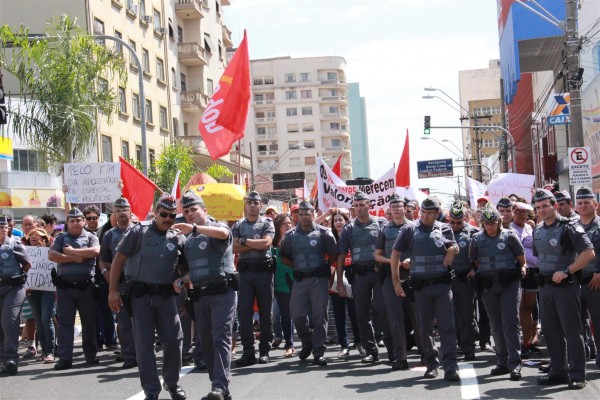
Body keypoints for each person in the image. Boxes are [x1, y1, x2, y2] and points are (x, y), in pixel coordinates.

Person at [108, 194, 186, 400]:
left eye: (172, 215)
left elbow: (186, 268)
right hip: (140, 297)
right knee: (144, 344)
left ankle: (172, 383)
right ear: (155, 212)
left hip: (166, 297)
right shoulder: (138, 232)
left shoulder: (177, 236)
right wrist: (112, 291)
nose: (168, 219)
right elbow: (118, 260)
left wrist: (185, 290)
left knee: (173, 339)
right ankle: (152, 390)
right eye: (164, 214)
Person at [173, 190, 237, 400]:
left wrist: (194, 227)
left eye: (194, 209)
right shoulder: (189, 239)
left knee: (221, 338)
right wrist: (182, 281)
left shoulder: (216, 226)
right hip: (200, 296)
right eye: (186, 210)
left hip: (222, 292)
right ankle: (220, 388)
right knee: (206, 345)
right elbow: (195, 269)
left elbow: (224, 235)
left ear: (204, 210)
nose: (190, 213)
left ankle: (219, 387)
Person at [390, 196, 460, 382]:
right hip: (420, 288)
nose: (427, 217)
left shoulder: (444, 228)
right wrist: (396, 281)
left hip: (442, 286)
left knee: (447, 327)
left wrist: (453, 249)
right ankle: (431, 364)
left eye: (431, 213)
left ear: (438, 213)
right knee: (424, 328)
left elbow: (453, 245)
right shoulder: (409, 230)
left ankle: (450, 367)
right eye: (424, 212)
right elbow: (395, 254)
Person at [532, 188, 594, 389]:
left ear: (555, 205)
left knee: (572, 331)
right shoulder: (538, 230)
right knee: (550, 331)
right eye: (538, 207)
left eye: (545, 206)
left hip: (565, 287)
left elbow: (588, 253)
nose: (541, 210)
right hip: (545, 288)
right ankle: (558, 372)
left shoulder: (570, 227)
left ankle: (577, 374)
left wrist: (567, 270)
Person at [470, 206, 526, 381]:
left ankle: (515, 363)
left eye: (493, 223)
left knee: (510, 322)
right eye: (486, 223)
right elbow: (475, 261)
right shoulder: (476, 239)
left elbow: (521, 259)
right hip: (488, 285)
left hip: (509, 284)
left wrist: (517, 271)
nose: (490, 226)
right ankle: (502, 362)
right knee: (495, 324)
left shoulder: (509, 236)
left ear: (499, 222)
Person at [280, 201, 338, 366]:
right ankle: (307, 342)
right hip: (299, 280)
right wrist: (296, 267)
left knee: (320, 316)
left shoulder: (324, 233)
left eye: (308, 213)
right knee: (297, 315)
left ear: (314, 214)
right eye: (301, 214)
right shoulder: (291, 235)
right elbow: (284, 256)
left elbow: (334, 254)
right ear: (298, 216)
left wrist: (326, 268)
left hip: (318, 280)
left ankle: (318, 351)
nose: (304, 217)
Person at [336, 191, 386, 364]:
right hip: (359, 276)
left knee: (381, 309)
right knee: (362, 314)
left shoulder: (381, 224)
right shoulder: (348, 229)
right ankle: (371, 350)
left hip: (379, 273)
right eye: (355, 206)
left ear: (369, 205)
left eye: (361, 205)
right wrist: (340, 283)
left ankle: (390, 347)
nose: (358, 208)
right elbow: (341, 256)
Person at [48, 208, 100, 370]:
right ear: (67, 223)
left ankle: (90, 355)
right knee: (65, 324)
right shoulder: (61, 238)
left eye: (78, 220)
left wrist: (72, 251)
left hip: (86, 287)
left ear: (84, 222)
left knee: (89, 322)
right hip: (65, 289)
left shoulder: (91, 236)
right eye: (72, 220)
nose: (75, 223)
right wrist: (75, 258)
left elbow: (95, 251)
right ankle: (65, 358)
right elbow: (52, 255)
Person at [232, 191, 275, 367]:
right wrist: (249, 244)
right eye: (249, 202)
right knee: (244, 313)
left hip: (264, 272)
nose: (252, 205)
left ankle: (264, 350)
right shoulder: (238, 224)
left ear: (260, 205)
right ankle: (248, 351)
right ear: (245, 204)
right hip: (245, 273)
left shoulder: (267, 223)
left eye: (255, 202)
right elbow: (234, 248)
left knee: (265, 313)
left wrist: (244, 241)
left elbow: (266, 244)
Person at [374, 193, 410, 370]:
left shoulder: (414, 228)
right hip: (389, 277)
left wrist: (411, 261)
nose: (396, 209)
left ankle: (427, 354)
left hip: (412, 276)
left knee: (417, 317)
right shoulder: (384, 230)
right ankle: (400, 356)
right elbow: (377, 255)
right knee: (394, 318)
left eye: (399, 206)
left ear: (406, 208)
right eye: (393, 207)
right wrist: (394, 262)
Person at [99, 198, 136, 369]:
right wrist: (108, 274)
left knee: (142, 320)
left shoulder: (139, 231)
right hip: (120, 282)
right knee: (124, 321)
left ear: (130, 211)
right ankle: (129, 355)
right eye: (118, 210)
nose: (122, 213)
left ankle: (143, 352)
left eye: (125, 209)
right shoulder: (109, 235)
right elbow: (103, 259)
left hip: (138, 280)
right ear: (114, 213)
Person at [0, 216, 32, 376]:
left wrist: (21, 279)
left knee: (9, 321)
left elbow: (27, 264)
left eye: (5, 227)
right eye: (1, 227)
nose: (3, 229)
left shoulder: (14, 244)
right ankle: (2, 359)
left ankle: (12, 358)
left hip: (13, 288)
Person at [447, 204, 478, 361]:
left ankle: (468, 348)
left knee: (466, 316)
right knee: (448, 317)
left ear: (465, 218)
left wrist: (475, 269)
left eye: (458, 222)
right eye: (452, 222)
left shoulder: (473, 233)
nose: (455, 226)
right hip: (447, 279)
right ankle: (452, 347)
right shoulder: (442, 232)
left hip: (465, 280)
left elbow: (481, 254)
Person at [330, 209, 362, 357]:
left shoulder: (353, 236)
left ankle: (359, 342)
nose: (338, 222)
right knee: (339, 314)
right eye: (335, 220)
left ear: (346, 221)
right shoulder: (329, 238)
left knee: (355, 313)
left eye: (340, 219)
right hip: (335, 279)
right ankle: (344, 345)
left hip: (352, 277)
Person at [574, 187, 600, 370]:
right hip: (576, 281)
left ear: (595, 205)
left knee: (598, 321)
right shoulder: (573, 226)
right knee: (577, 322)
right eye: (580, 203)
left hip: (595, 280)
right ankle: (585, 354)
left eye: (587, 202)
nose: (583, 206)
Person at [511, 201, 540, 357]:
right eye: (518, 212)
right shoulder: (509, 228)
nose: (521, 214)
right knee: (519, 308)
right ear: (513, 212)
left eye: (524, 212)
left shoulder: (530, 227)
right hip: (518, 271)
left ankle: (528, 341)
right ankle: (520, 342)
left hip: (533, 271)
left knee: (529, 307)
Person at [25, 228, 56, 363]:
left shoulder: (51, 253)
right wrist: (26, 285)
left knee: (46, 319)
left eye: (37, 236)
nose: (34, 237)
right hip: (32, 291)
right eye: (31, 236)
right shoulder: (25, 253)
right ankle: (44, 350)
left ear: (44, 240)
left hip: (48, 290)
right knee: (38, 320)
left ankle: (50, 351)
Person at [272, 213, 295, 357]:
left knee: (299, 315)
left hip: (298, 281)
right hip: (281, 284)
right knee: (286, 316)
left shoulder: (296, 239)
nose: (288, 225)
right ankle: (289, 344)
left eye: (290, 223)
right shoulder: (272, 244)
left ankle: (306, 341)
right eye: (284, 224)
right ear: (278, 227)